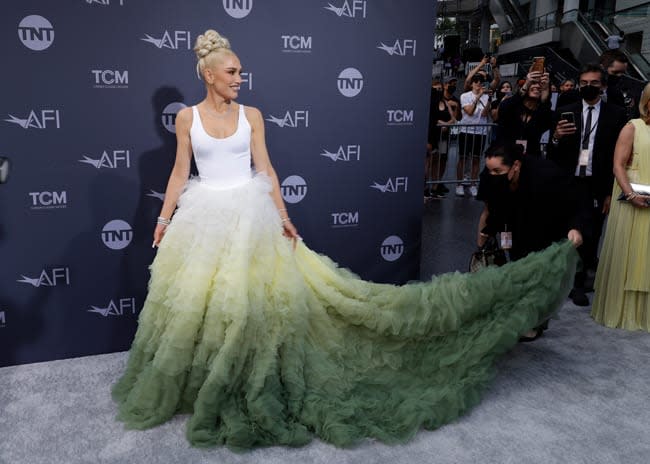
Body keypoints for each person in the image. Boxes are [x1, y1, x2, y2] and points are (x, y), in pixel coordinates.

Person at [112, 29, 580, 450]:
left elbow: (267, 170)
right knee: (207, 305)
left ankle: (250, 374)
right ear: (210, 75)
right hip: (204, 217)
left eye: (240, 71)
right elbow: (178, 173)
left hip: (250, 216)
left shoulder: (251, 115)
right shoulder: (186, 119)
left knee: (258, 303)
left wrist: (283, 214)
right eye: (232, 72)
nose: (240, 78)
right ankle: (207, 381)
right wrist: (163, 218)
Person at [476, 143, 585, 339]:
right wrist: (483, 238)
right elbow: (489, 208)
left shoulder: (546, 175)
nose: (492, 174)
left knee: (539, 276)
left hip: (546, 224)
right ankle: (520, 317)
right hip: (513, 224)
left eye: (498, 171)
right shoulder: (490, 176)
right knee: (517, 269)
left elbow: (575, 201)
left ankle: (535, 322)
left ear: (515, 165)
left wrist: (575, 227)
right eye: (489, 170)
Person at [548, 63, 628, 306]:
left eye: (593, 83)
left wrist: (609, 192)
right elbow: (553, 151)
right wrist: (556, 137)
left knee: (592, 231)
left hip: (597, 181)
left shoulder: (616, 114)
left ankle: (581, 281)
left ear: (603, 86)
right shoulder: (566, 109)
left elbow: (618, 154)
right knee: (567, 229)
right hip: (570, 180)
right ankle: (569, 277)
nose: (588, 87)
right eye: (583, 83)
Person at [592, 83, 650, 331]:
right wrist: (630, 195)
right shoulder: (631, 128)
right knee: (629, 253)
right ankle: (624, 310)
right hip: (632, 200)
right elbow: (618, 166)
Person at [495, 70, 552, 157]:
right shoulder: (512, 105)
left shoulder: (543, 111)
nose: (537, 86)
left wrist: (545, 95)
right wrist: (526, 85)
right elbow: (504, 109)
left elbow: (545, 121)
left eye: (540, 84)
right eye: (533, 83)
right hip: (505, 156)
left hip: (530, 158)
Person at [457, 74, 492, 197]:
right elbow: (470, 112)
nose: (478, 84)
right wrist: (479, 96)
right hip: (466, 131)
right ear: (471, 84)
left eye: (481, 82)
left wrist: (489, 101)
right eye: (476, 81)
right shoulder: (464, 96)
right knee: (463, 158)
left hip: (480, 132)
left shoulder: (486, 96)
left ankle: (473, 184)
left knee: (477, 159)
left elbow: (484, 114)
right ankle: (459, 184)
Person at [426, 79, 457, 198]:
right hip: (432, 136)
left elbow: (453, 118)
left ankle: (435, 187)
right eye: (436, 88)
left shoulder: (445, 101)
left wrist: (446, 124)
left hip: (443, 138)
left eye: (440, 88)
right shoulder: (429, 101)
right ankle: (425, 187)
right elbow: (432, 117)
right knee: (429, 161)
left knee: (438, 162)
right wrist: (441, 124)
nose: (438, 90)